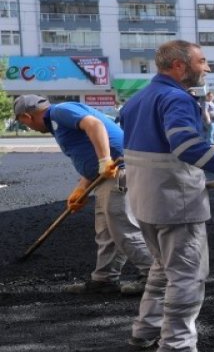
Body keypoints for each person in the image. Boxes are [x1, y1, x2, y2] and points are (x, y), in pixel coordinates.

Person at [120, 40, 214, 352]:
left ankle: (145, 330)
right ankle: (178, 346)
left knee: (161, 268)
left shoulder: (138, 99)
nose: (207, 68)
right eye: (202, 61)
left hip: (143, 201)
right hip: (174, 202)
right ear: (179, 66)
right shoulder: (176, 98)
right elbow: (186, 145)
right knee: (187, 273)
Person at [12, 94, 153, 296]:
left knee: (120, 221)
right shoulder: (58, 122)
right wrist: (81, 187)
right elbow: (87, 154)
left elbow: (94, 125)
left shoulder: (59, 112)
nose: (28, 128)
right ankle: (104, 279)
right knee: (105, 228)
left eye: (24, 123)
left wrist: (105, 160)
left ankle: (155, 277)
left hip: (120, 170)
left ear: (26, 116)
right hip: (109, 174)